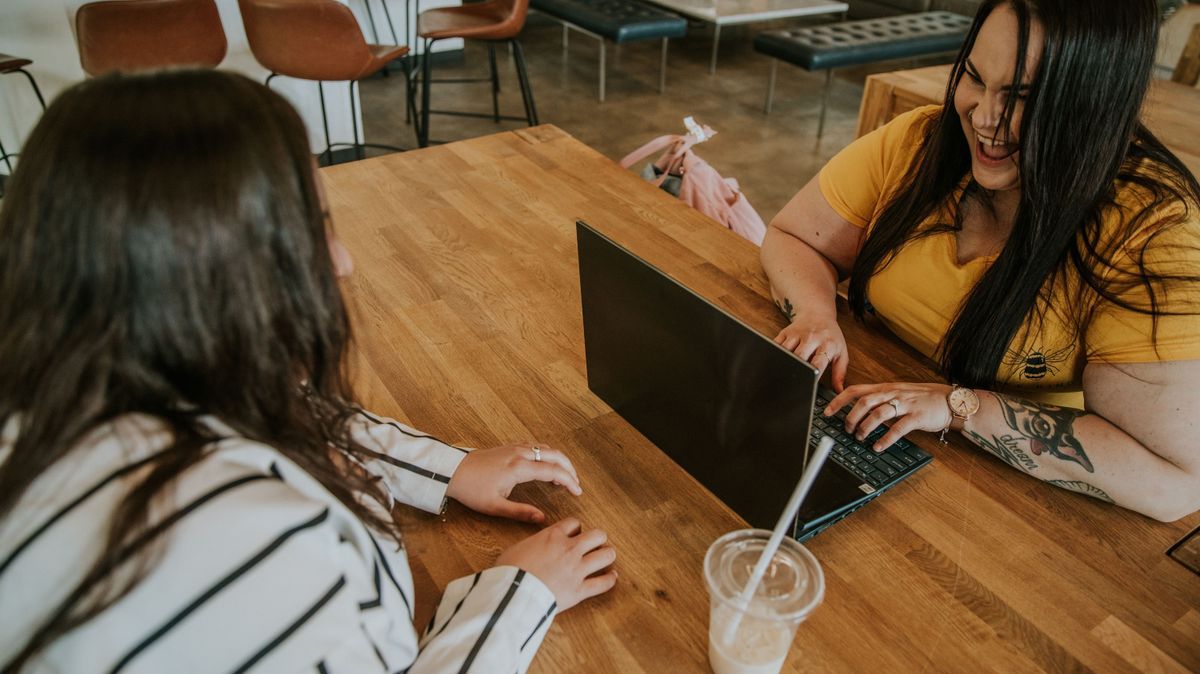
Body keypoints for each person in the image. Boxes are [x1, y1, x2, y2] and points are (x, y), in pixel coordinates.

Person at [0, 70, 617, 672]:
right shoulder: (246, 546)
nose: (343, 262)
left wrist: (446, 466)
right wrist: (518, 595)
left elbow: (277, 403)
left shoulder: (66, 384)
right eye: (314, 231)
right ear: (212, 274)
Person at [762, 0, 1200, 522]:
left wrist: (960, 406)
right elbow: (794, 236)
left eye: (1022, 98)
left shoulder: (1152, 230)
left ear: (1097, 104)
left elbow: (1174, 484)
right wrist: (815, 312)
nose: (983, 117)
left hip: (1012, 505)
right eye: (973, 76)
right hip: (878, 431)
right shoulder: (920, 141)